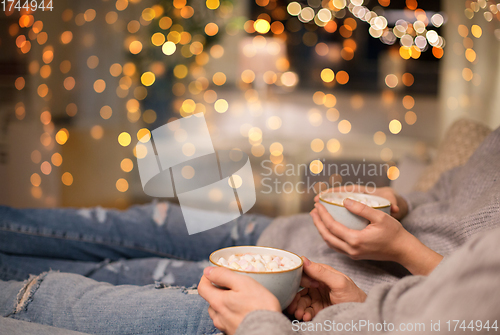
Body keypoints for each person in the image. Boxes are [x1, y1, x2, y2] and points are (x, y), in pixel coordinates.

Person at [1, 125, 499, 334]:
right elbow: (446, 192)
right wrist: (400, 202)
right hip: (280, 238)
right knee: (109, 224)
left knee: (106, 277)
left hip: (284, 297)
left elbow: (462, 312)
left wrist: (405, 249)